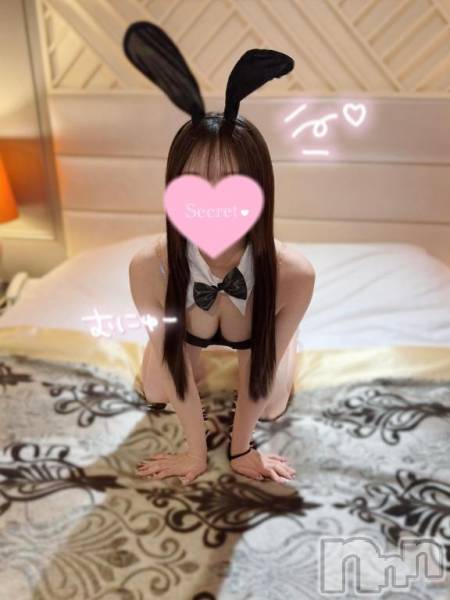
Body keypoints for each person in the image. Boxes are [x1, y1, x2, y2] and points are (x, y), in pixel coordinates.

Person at [124, 21, 315, 485]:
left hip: (258, 342)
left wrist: (240, 448)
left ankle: (292, 342)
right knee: (158, 388)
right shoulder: (149, 267)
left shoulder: (293, 274)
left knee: (271, 405)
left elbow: (258, 368)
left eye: (231, 184)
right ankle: (202, 354)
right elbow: (172, 364)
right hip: (183, 337)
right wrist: (196, 454)